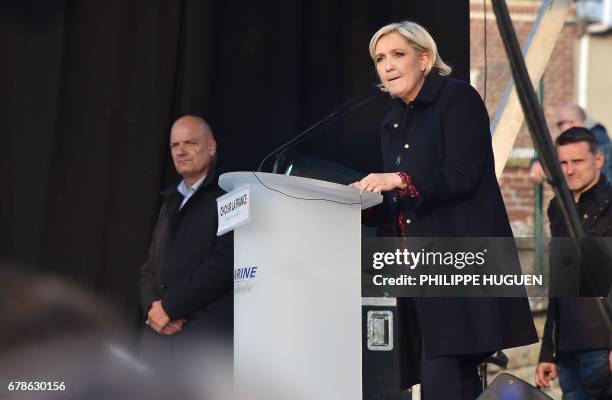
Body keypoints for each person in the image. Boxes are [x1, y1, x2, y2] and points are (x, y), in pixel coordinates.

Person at [354, 21, 538, 400]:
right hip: (417, 274)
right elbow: (401, 201)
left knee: (443, 376)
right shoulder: (391, 120)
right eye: (379, 58)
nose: (387, 66)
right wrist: (363, 205)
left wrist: (398, 180)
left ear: (424, 59)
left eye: (397, 55)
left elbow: (462, 175)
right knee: (445, 378)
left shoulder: (457, 98)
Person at [139, 115, 233, 361]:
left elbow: (224, 264)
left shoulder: (229, 196)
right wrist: (153, 309)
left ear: (211, 147)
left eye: (190, 142)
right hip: (159, 340)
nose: (180, 151)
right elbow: (149, 269)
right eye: (174, 145)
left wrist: (170, 308)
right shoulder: (169, 202)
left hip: (200, 342)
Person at [535, 127, 612, 399]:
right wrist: (549, 352)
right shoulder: (557, 208)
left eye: (577, 161)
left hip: (604, 348)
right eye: (563, 163)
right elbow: (559, 283)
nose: (569, 170)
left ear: (599, 160)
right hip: (568, 351)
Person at [530, 102, 611, 183]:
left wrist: (544, 165)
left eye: (560, 124)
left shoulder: (596, 139)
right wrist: (537, 161)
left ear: (572, 122)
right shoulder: (587, 136)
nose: (559, 128)